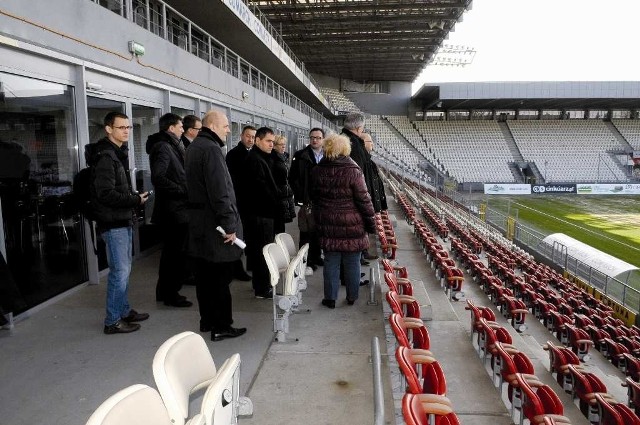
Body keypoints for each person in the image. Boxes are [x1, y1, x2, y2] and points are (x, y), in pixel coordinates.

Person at [185, 110, 246, 341]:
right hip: (215, 226)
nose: (228, 130)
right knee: (220, 278)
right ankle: (222, 325)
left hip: (200, 224)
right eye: (226, 126)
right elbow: (220, 192)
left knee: (205, 278)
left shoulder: (194, 147)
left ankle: (207, 320)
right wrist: (229, 224)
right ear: (212, 126)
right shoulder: (211, 150)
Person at [90, 112, 149, 334]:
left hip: (120, 220)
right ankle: (112, 321)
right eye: (121, 127)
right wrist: (135, 199)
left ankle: (123, 311)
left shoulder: (116, 153)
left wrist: (132, 196)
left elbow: (115, 189)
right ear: (108, 129)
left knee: (124, 270)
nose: (126, 131)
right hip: (112, 224)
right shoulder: (106, 157)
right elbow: (105, 194)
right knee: (119, 273)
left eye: (128, 127)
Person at [311, 133, 375, 309]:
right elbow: (364, 200)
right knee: (352, 262)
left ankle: (330, 298)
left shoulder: (317, 170)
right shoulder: (353, 171)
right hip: (351, 223)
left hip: (327, 223)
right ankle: (352, 297)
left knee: (331, 261)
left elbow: (314, 197)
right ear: (345, 149)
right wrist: (371, 224)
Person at [145, 113, 192, 308]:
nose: (183, 129)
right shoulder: (164, 147)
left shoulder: (172, 145)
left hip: (177, 208)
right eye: (180, 126)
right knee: (173, 256)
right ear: (171, 128)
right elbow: (159, 177)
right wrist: (183, 190)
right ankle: (170, 294)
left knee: (173, 255)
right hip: (173, 210)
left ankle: (165, 292)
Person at [241, 127, 278, 299]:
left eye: (273, 141)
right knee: (262, 253)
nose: (272, 144)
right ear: (258, 141)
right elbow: (261, 190)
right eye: (268, 141)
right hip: (259, 215)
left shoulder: (261, 158)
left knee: (260, 252)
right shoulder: (255, 160)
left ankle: (261, 285)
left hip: (261, 214)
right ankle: (262, 289)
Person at [342, 113, 377, 265]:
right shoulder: (354, 144)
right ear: (358, 127)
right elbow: (357, 177)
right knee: (349, 250)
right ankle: (351, 279)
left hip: (346, 202)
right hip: (352, 203)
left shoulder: (345, 140)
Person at [288, 128, 324, 270]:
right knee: (306, 230)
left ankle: (316, 256)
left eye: (318, 138)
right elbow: (292, 178)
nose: (315, 140)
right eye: (312, 137)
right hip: (307, 199)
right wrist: (300, 195)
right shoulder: (300, 155)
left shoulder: (328, 156)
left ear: (323, 140)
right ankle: (305, 260)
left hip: (322, 200)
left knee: (318, 230)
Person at [225, 125, 256, 281]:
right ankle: (236, 269)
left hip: (249, 202)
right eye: (248, 136)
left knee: (248, 236)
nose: (250, 139)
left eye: (253, 137)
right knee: (238, 236)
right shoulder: (233, 155)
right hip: (238, 201)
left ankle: (247, 264)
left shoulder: (253, 153)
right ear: (242, 136)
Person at [271, 135, 295, 234]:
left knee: (281, 224)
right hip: (279, 195)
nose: (283, 147)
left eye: (284, 144)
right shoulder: (273, 159)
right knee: (278, 224)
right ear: (274, 146)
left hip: (285, 193)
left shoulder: (284, 157)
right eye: (281, 144)